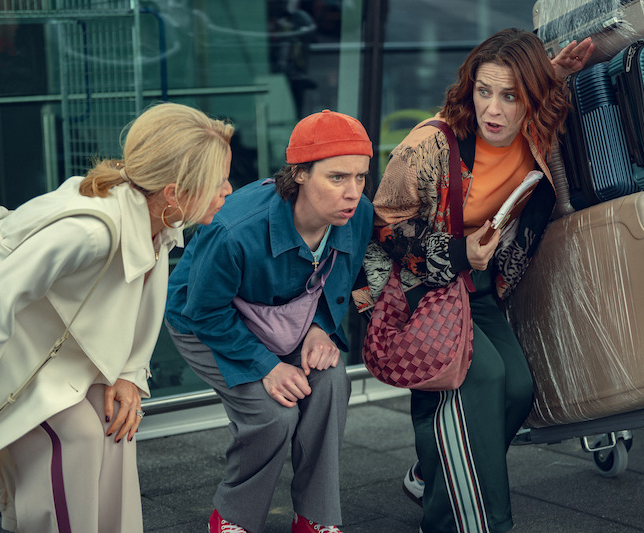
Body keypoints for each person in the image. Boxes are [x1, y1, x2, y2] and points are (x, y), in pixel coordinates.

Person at [0, 102, 234, 533]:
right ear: (173, 192)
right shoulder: (90, 231)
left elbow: (149, 289)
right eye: (218, 181)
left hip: (44, 332)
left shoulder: (157, 215)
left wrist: (130, 373)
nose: (228, 190)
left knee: (113, 423)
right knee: (78, 437)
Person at [362, 29, 592, 533]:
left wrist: (551, 73)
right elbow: (382, 228)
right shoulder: (430, 145)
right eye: (483, 91)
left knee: (518, 390)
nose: (493, 108)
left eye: (510, 95)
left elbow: (536, 91)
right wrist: (457, 251)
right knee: (480, 378)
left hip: (481, 286)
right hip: (425, 286)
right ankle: (462, 522)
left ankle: (432, 473)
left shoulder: (536, 131)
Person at [164, 109, 374, 533]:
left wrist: (321, 327)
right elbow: (203, 311)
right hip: (206, 322)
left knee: (332, 382)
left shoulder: (359, 214)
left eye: (360, 177)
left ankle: (315, 517)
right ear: (299, 174)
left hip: (291, 318)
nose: (352, 193)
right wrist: (267, 367)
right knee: (273, 415)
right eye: (337, 178)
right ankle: (233, 517)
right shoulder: (235, 229)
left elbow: (343, 277)